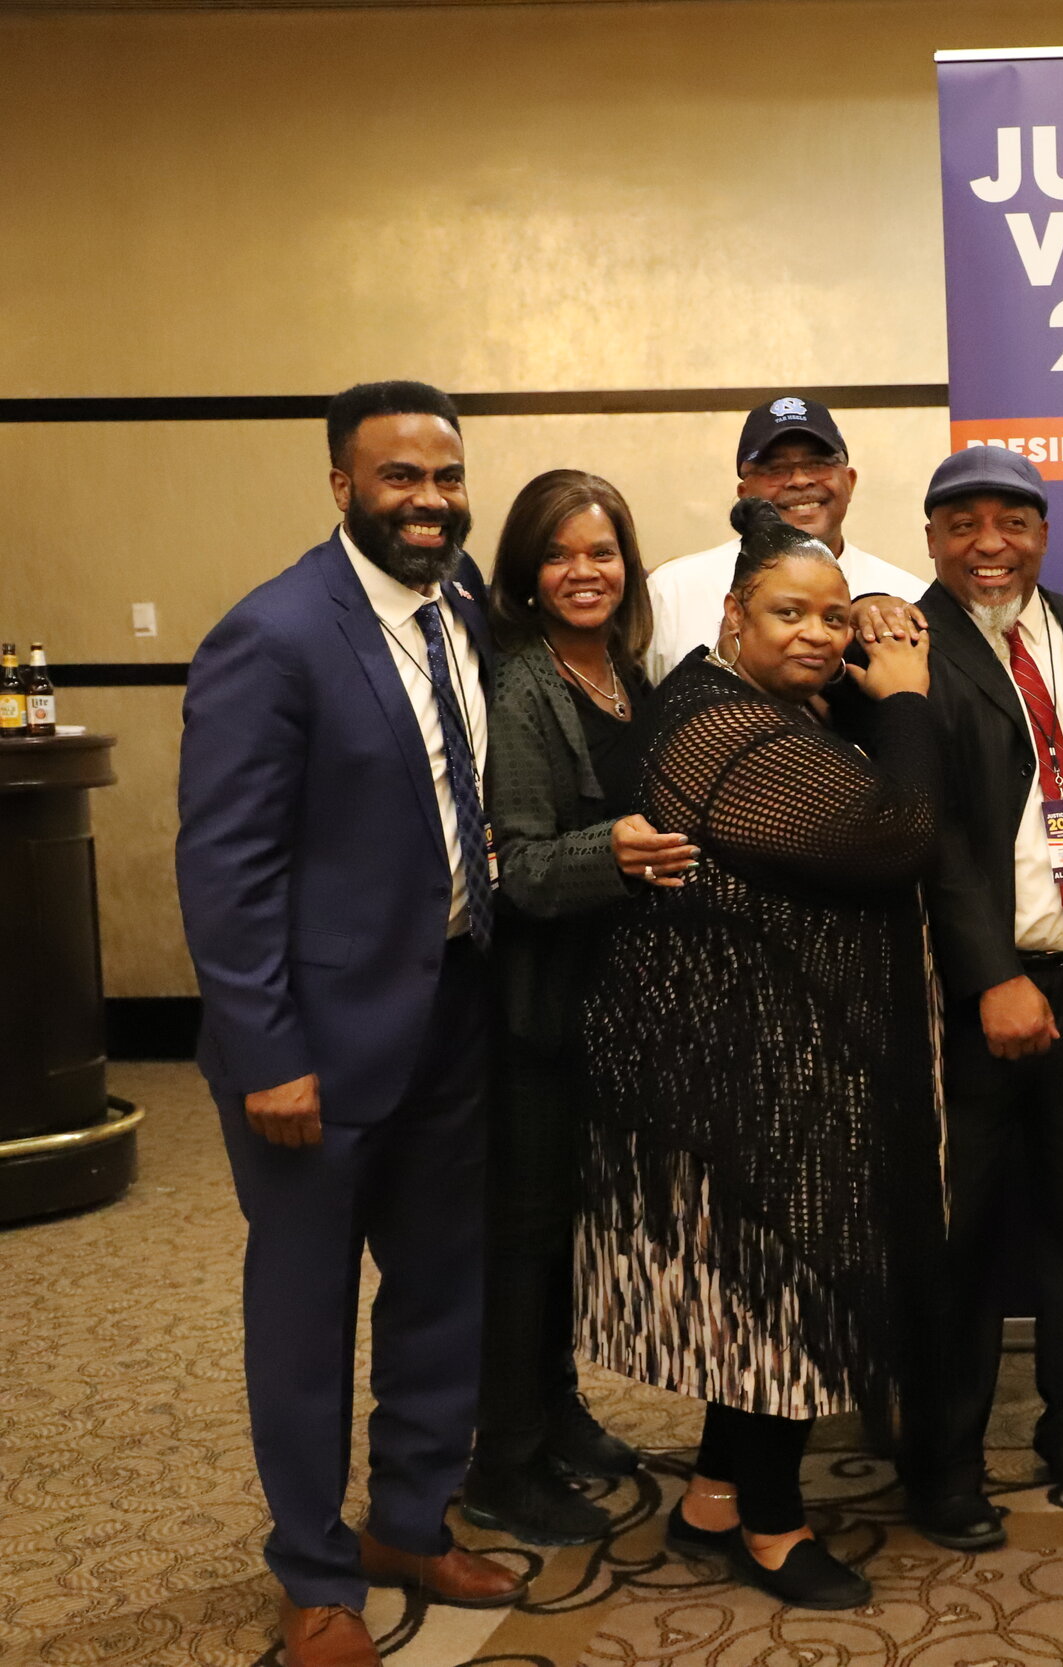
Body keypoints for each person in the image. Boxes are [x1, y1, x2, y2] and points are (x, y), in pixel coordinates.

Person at [175, 381, 525, 1667]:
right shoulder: (271, 634)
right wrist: (270, 1052)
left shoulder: (463, 606)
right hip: (312, 1051)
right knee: (308, 1308)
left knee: (441, 1289)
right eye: (399, 479)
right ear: (341, 486)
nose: (428, 501)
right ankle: (315, 1571)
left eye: (445, 476)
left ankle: (410, 1519)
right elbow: (224, 870)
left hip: (450, 1008)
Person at [576, 497, 944, 1611]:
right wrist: (911, 703)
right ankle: (775, 1526)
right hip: (739, 1071)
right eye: (790, 611)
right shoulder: (720, 729)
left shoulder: (755, 705)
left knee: (761, 1295)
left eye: (837, 618)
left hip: (762, 1061)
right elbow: (892, 835)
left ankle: (716, 1494)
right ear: (734, 615)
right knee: (782, 1303)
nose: (819, 634)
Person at [853, 448, 1063, 1549]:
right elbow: (929, 837)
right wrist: (993, 975)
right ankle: (944, 1465)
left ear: (1043, 531)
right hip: (968, 1001)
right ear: (929, 538)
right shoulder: (897, 648)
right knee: (957, 1244)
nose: (988, 543)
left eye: (1011, 521)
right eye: (961, 523)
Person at [463, 470, 688, 1545]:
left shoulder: (621, 670)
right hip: (538, 1006)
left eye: (601, 552)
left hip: (609, 1002)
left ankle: (553, 1410)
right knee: (525, 1233)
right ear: (525, 573)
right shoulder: (523, 683)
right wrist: (619, 853)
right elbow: (519, 868)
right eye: (560, 554)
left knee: (567, 1230)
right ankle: (503, 1461)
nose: (584, 572)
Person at [642, 395, 925, 679]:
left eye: (817, 464)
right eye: (775, 470)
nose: (800, 480)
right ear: (744, 494)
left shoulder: (909, 597)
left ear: (849, 482)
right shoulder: (673, 592)